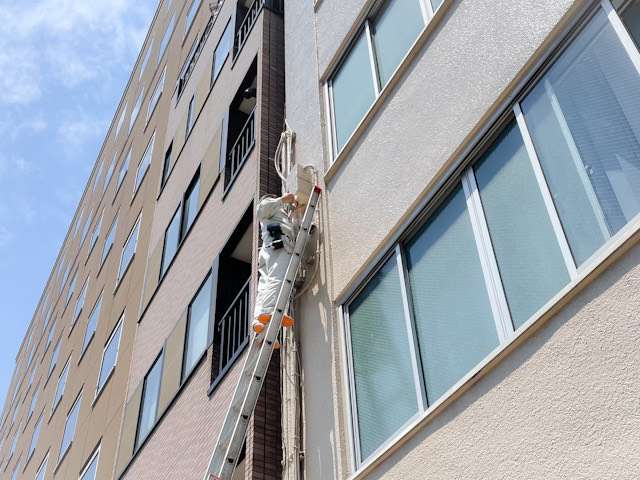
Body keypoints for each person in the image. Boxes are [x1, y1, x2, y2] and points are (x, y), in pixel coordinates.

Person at [252, 192, 298, 335]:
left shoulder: (276, 213)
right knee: (278, 278)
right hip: (278, 245)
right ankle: (269, 311)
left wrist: (289, 207)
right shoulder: (266, 205)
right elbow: (261, 210)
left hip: (269, 248)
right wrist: (283, 199)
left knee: (265, 286)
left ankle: (260, 325)